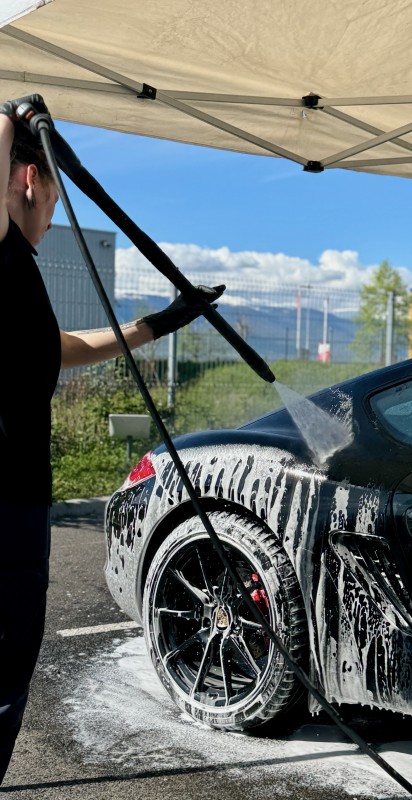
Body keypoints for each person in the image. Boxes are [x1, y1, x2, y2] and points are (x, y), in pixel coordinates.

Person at [0, 94, 225, 784]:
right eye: (50, 193)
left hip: (21, 511)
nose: (50, 212)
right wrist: (9, 118)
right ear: (30, 180)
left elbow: (53, 349)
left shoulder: (18, 276)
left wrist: (156, 326)